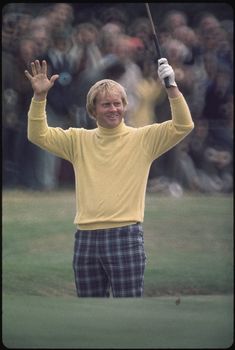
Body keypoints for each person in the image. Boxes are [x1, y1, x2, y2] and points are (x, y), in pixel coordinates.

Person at [25, 58, 194, 297]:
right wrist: (39, 98)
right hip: (85, 238)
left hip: (125, 236)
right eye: (106, 104)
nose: (113, 109)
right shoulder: (78, 139)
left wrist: (171, 87)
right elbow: (37, 134)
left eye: (118, 104)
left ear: (125, 106)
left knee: (128, 312)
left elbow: (183, 125)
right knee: (90, 315)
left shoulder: (143, 139)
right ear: (93, 110)